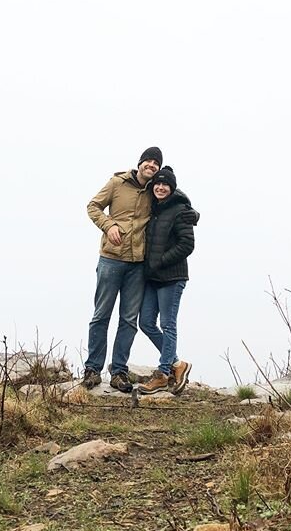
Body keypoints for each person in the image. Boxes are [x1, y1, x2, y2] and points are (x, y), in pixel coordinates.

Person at [82, 147, 163, 393]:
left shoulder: (155, 190)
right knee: (101, 315)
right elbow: (93, 206)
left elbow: (175, 199)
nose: (151, 165)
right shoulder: (117, 183)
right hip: (111, 259)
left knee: (129, 320)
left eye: (156, 163)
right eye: (148, 161)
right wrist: (109, 226)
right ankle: (92, 370)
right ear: (140, 163)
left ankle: (118, 372)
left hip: (138, 264)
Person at [137, 166, 195, 395]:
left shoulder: (181, 210)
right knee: (146, 323)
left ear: (172, 188)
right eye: (157, 184)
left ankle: (162, 374)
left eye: (166, 185)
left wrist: (161, 261)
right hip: (153, 278)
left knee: (168, 325)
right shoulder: (153, 209)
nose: (161, 187)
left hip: (172, 277)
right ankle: (178, 364)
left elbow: (187, 244)